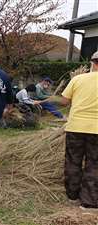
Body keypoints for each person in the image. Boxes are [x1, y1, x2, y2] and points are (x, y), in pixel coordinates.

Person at [60, 51, 98, 211]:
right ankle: (89, 202)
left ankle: (72, 195)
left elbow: (64, 101)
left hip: (75, 127)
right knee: (94, 163)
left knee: (73, 160)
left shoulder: (78, 79)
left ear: (93, 63)